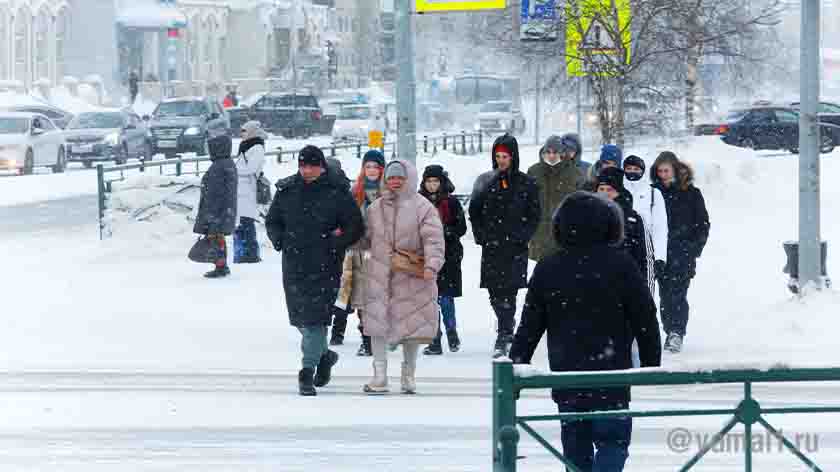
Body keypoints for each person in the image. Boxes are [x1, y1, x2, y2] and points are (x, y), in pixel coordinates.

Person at [509, 191, 662, 472]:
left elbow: (529, 326)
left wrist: (515, 367)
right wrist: (652, 363)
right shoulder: (621, 264)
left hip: (568, 376)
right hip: (612, 376)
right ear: (609, 225)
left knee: (575, 450)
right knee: (613, 444)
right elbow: (646, 316)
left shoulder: (548, 267)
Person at [265, 145, 364, 396]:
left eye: (312, 165)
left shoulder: (337, 192)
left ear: (322, 166)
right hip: (294, 264)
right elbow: (273, 220)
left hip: (325, 265)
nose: (307, 170)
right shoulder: (287, 190)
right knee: (302, 320)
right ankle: (325, 355)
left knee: (315, 321)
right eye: (303, 165)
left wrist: (335, 243)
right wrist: (280, 240)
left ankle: (306, 373)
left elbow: (355, 226)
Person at [361, 160, 445, 394]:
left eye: (400, 177)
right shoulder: (375, 208)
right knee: (377, 325)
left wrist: (432, 265)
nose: (395, 181)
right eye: (391, 177)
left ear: (408, 178)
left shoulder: (423, 207)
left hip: (412, 275)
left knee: (411, 327)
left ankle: (408, 375)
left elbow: (434, 240)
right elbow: (365, 239)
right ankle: (379, 376)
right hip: (379, 274)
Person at [469, 134, 541, 358]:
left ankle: (504, 332)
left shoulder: (526, 183)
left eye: (505, 156)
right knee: (494, 292)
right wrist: (482, 236)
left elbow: (534, 214)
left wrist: (522, 236)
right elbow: (474, 211)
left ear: (513, 157)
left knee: (508, 291)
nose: (501, 160)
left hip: (515, 247)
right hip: (492, 246)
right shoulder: (485, 180)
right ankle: (506, 323)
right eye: (498, 156)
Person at [651, 151, 711, 354]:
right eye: (659, 171)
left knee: (678, 294)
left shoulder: (691, 193)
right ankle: (669, 330)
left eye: (666, 170)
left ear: (675, 170)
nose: (663, 175)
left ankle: (676, 332)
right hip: (660, 254)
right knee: (665, 295)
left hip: (682, 253)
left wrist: (693, 248)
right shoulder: (653, 193)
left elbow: (702, 223)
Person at [332, 150, 385, 354]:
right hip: (358, 250)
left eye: (375, 167)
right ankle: (367, 338)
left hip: (381, 251)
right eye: (368, 166)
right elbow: (347, 219)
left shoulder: (388, 192)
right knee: (360, 296)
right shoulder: (356, 192)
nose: (371, 171)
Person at [419, 165, 467, 355]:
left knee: (445, 297)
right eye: (429, 181)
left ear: (442, 182)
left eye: (436, 181)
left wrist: (446, 232)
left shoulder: (451, 202)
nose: (432, 185)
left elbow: (461, 227)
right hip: (425, 256)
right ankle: (435, 339)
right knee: (430, 300)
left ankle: (451, 332)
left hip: (449, 255)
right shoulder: (418, 202)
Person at [527, 134, 589, 262]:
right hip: (539, 235)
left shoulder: (575, 174)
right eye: (548, 152)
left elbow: (582, 205)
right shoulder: (534, 172)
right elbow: (527, 203)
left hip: (564, 233)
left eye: (555, 152)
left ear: (562, 153)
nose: (551, 155)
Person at [595, 167, 651, 286]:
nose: (604, 193)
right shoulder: (585, 215)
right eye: (601, 189)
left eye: (610, 189)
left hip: (624, 284)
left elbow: (645, 258)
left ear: (619, 191)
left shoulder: (634, 219)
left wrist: (645, 295)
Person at [193, 135, 237, 278]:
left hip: (216, 211)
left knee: (215, 238)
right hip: (224, 209)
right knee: (218, 238)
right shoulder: (227, 163)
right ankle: (221, 265)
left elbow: (214, 193)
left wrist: (210, 214)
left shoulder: (219, 166)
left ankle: (221, 266)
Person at [623, 154, 668, 293]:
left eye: (636, 169)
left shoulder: (654, 194)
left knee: (644, 299)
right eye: (628, 168)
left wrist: (660, 258)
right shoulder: (617, 191)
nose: (632, 172)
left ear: (642, 171)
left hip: (644, 253)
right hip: (621, 251)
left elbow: (660, 228)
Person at [233, 121, 267, 263]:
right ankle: (242, 254)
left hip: (248, 190)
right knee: (241, 223)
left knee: (246, 222)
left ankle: (250, 254)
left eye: (244, 131)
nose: (242, 134)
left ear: (252, 132)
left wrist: (233, 171)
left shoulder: (257, 148)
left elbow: (251, 169)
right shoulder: (246, 147)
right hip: (240, 190)